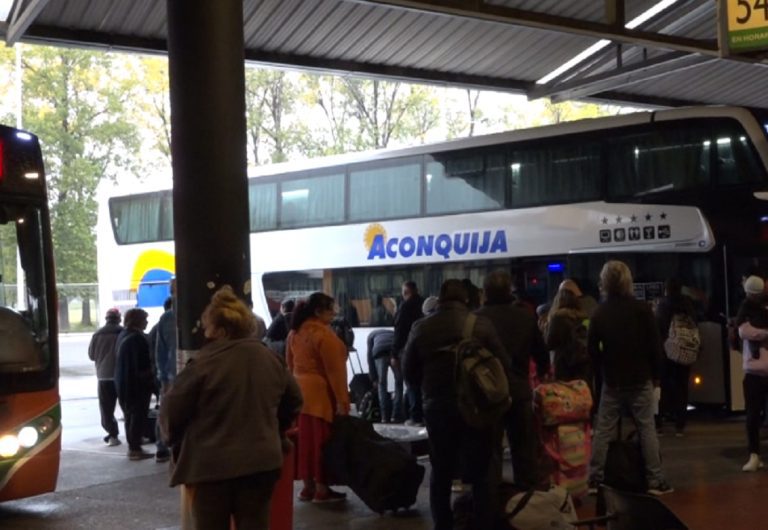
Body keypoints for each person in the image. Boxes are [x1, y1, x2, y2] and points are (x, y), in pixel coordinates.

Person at [159, 286, 302, 530]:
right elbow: (294, 401)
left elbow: (172, 410)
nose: (205, 332)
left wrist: (173, 441)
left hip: (211, 467)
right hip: (261, 463)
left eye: (208, 327)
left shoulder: (203, 364)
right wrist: (273, 428)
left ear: (221, 330)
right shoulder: (269, 358)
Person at [403, 279, 507, 530]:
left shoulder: (421, 327)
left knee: (441, 470)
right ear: (467, 300)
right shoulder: (481, 325)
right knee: (482, 469)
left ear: (439, 299)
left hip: (437, 408)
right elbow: (503, 361)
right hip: (476, 408)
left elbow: (409, 374)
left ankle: (443, 525)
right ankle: (483, 523)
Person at [587, 260, 672, 496]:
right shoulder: (642, 309)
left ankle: (595, 479)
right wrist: (656, 376)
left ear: (604, 282)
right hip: (640, 377)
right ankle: (656, 480)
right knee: (647, 429)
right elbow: (655, 346)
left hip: (612, 380)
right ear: (628, 281)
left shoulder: (599, 313)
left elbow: (592, 351)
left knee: (603, 430)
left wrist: (601, 373)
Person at [476, 270, 548, 490]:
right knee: (523, 452)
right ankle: (526, 506)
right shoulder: (525, 316)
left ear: (486, 292)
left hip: (488, 393)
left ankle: (492, 504)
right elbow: (542, 356)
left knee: (490, 453)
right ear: (509, 291)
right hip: (519, 392)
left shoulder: (477, 319)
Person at [286, 292, 350, 503]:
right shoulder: (323, 335)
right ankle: (322, 489)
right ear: (318, 312)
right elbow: (335, 372)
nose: (333, 314)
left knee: (305, 443)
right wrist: (343, 401)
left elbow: (290, 364)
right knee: (322, 443)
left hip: (299, 394)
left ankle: (307, 487)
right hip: (320, 395)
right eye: (330, 310)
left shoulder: (294, 333)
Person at [654, 277, 697, 437]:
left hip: (666, 352)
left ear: (666, 289)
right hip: (685, 351)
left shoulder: (662, 305)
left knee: (662, 387)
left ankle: (659, 423)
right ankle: (680, 424)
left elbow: (658, 327)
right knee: (682, 387)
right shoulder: (688, 305)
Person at [736, 275, 768, 472]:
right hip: (755, 370)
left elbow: (744, 331)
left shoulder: (745, 308)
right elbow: (743, 332)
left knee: (752, 415)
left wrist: (759, 332)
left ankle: (754, 455)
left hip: (753, 369)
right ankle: (754, 455)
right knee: (753, 415)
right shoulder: (750, 308)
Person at [115, 308, 154, 461]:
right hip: (136, 385)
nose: (146, 322)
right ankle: (135, 449)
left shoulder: (123, 335)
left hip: (122, 382)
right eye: (144, 319)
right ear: (137, 320)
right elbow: (142, 365)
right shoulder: (137, 338)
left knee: (129, 415)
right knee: (138, 415)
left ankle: (133, 446)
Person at [88, 307, 124, 447]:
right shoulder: (123, 333)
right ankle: (137, 436)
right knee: (128, 406)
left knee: (106, 408)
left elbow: (91, 355)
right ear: (119, 318)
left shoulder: (97, 335)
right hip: (121, 375)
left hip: (103, 376)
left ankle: (113, 435)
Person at [393, 280, 424, 426]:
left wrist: (394, 354)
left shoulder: (404, 306)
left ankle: (415, 417)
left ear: (406, 292)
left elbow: (399, 332)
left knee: (411, 383)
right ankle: (422, 415)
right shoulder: (424, 304)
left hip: (407, 350)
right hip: (424, 349)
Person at [546, 288, 592, 386]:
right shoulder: (584, 317)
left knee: (567, 397)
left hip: (564, 365)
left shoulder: (558, 318)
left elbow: (549, 343)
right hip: (583, 363)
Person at [154, 295, 177, 463]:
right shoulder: (167, 319)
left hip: (170, 374)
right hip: (172, 374)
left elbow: (159, 351)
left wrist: (162, 376)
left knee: (166, 410)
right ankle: (164, 445)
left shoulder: (166, 318)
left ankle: (163, 446)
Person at [367, 328, 401, 423]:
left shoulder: (371, 335)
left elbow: (369, 357)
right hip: (394, 352)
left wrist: (374, 378)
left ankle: (384, 417)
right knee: (399, 382)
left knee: (382, 384)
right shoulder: (393, 332)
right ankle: (396, 416)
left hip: (379, 352)